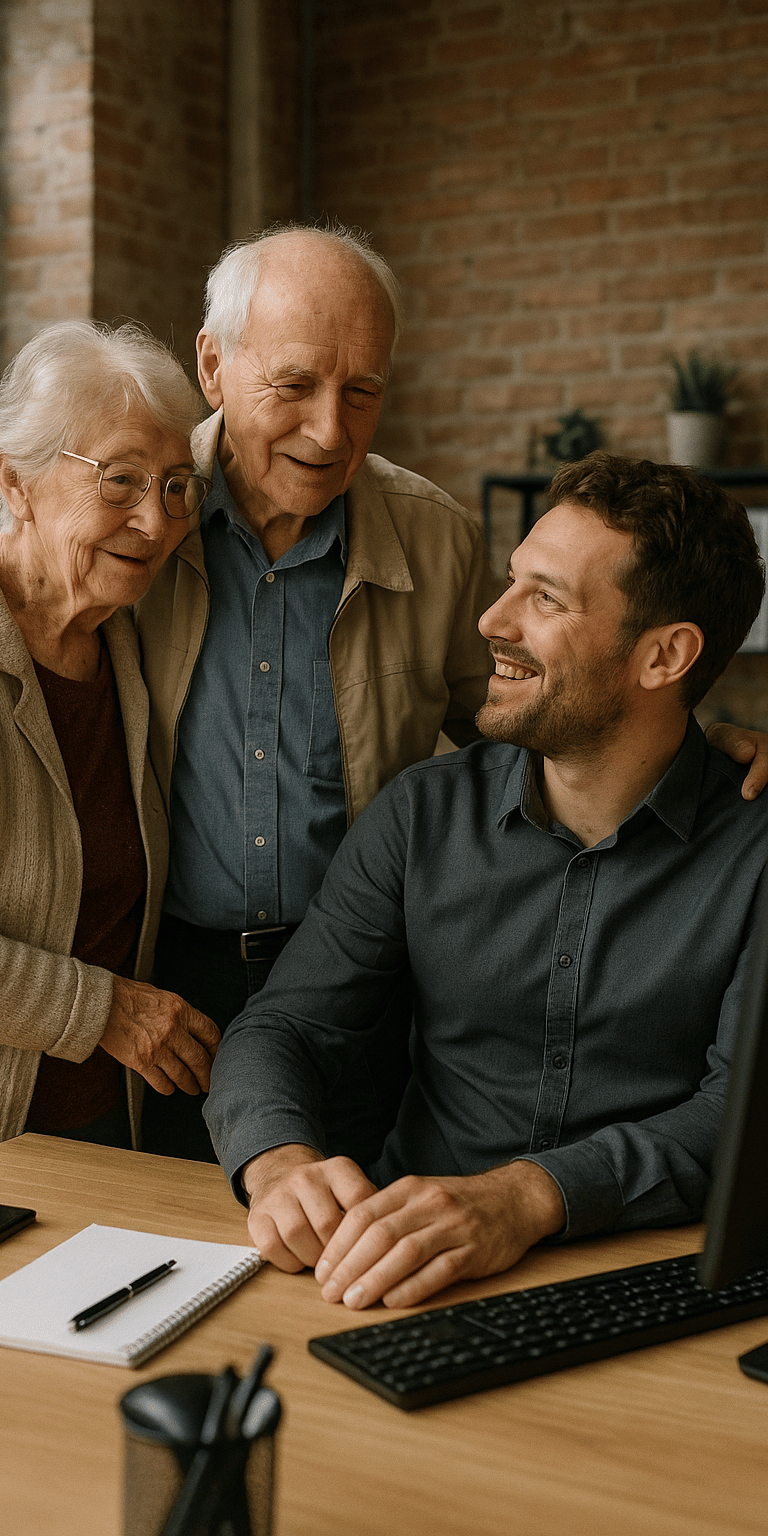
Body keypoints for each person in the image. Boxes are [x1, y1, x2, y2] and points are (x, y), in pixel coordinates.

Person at [204, 452, 768, 1312]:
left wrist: (525, 1198)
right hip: (393, 1266)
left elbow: (741, 1115)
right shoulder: (422, 814)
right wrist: (279, 1160)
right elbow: (283, 1025)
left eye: (547, 599)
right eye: (512, 581)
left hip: (651, 1280)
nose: (491, 620)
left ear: (665, 656)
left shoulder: (754, 848)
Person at [135, 222, 499, 1161]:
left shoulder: (438, 538)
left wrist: (687, 747)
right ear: (213, 367)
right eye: (293, 386)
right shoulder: (137, 518)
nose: (331, 431)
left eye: (362, 392)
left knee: (343, 1226)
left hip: (358, 984)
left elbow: (520, 725)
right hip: (162, 982)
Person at [0, 320, 220, 1148]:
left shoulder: (130, 642)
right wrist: (103, 1011)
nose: (157, 523)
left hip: (103, 1125)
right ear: (15, 483)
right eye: (120, 480)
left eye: (175, 487)